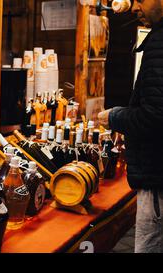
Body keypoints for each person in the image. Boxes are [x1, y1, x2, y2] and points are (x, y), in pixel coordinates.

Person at [98, 0, 163, 253]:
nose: (135, 8)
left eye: (140, 0)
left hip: (157, 176)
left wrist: (115, 117)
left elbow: (156, 116)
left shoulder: (160, 43)